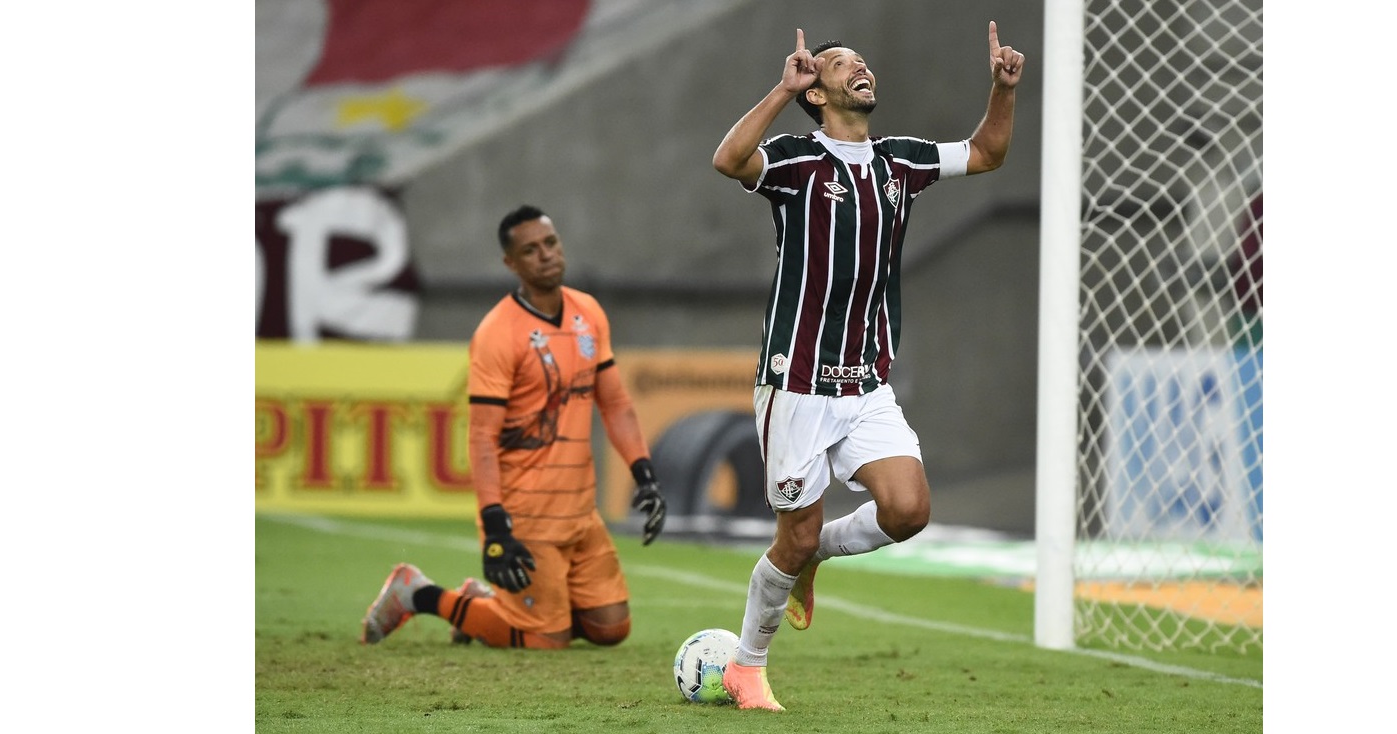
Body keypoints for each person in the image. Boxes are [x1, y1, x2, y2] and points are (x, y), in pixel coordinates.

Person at [707, 23, 1024, 709]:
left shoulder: (899, 161)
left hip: (866, 382)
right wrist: (779, 89)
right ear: (816, 91)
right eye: (841, 63)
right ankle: (746, 666)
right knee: (790, 538)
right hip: (796, 382)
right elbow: (729, 160)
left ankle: (816, 553)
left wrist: (1001, 90)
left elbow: (988, 152)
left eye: (863, 60)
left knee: (908, 510)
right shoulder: (794, 159)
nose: (861, 67)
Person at [359, 204, 668, 650]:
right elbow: (482, 436)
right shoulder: (497, 333)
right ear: (511, 264)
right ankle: (418, 592)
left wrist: (645, 473)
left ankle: (485, 609)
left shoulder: (589, 312)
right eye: (530, 250)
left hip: (580, 509)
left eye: (551, 243)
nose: (545, 255)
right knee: (545, 640)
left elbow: (615, 402)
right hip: (525, 513)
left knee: (611, 629)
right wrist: (495, 524)